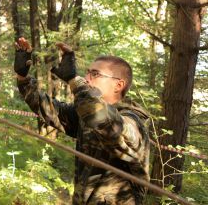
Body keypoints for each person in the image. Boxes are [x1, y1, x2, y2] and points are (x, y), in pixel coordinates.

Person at [13, 37, 150, 205]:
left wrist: (73, 80)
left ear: (118, 85)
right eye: (87, 72)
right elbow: (50, 110)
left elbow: (108, 125)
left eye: (95, 74)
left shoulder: (134, 121)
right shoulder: (86, 115)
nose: (87, 78)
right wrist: (22, 78)